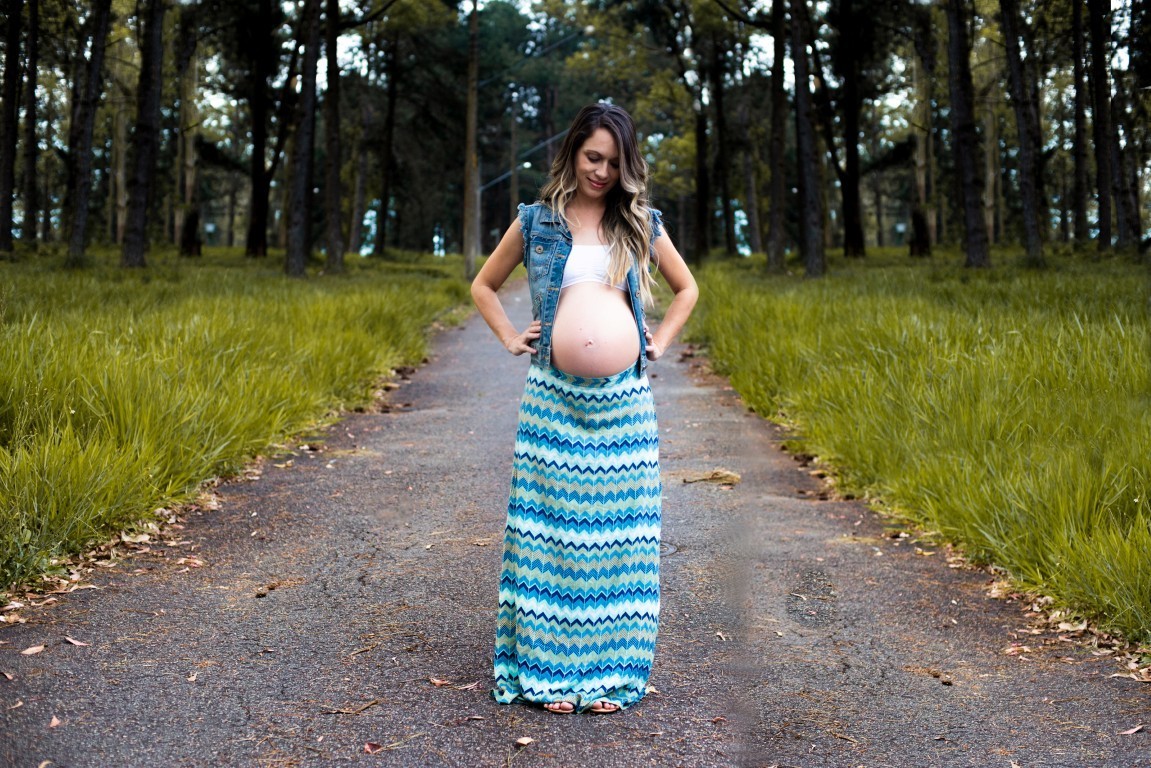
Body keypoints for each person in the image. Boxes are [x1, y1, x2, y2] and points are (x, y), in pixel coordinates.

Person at [471, 103, 698, 715]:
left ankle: (609, 673)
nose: (601, 171)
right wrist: (509, 336)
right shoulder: (536, 220)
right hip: (552, 400)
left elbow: (687, 289)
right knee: (548, 536)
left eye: (614, 163)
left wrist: (660, 340)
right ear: (573, 151)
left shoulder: (640, 222)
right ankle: (547, 671)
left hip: (624, 405)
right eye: (593, 157)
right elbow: (483, 285)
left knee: (621, 541)